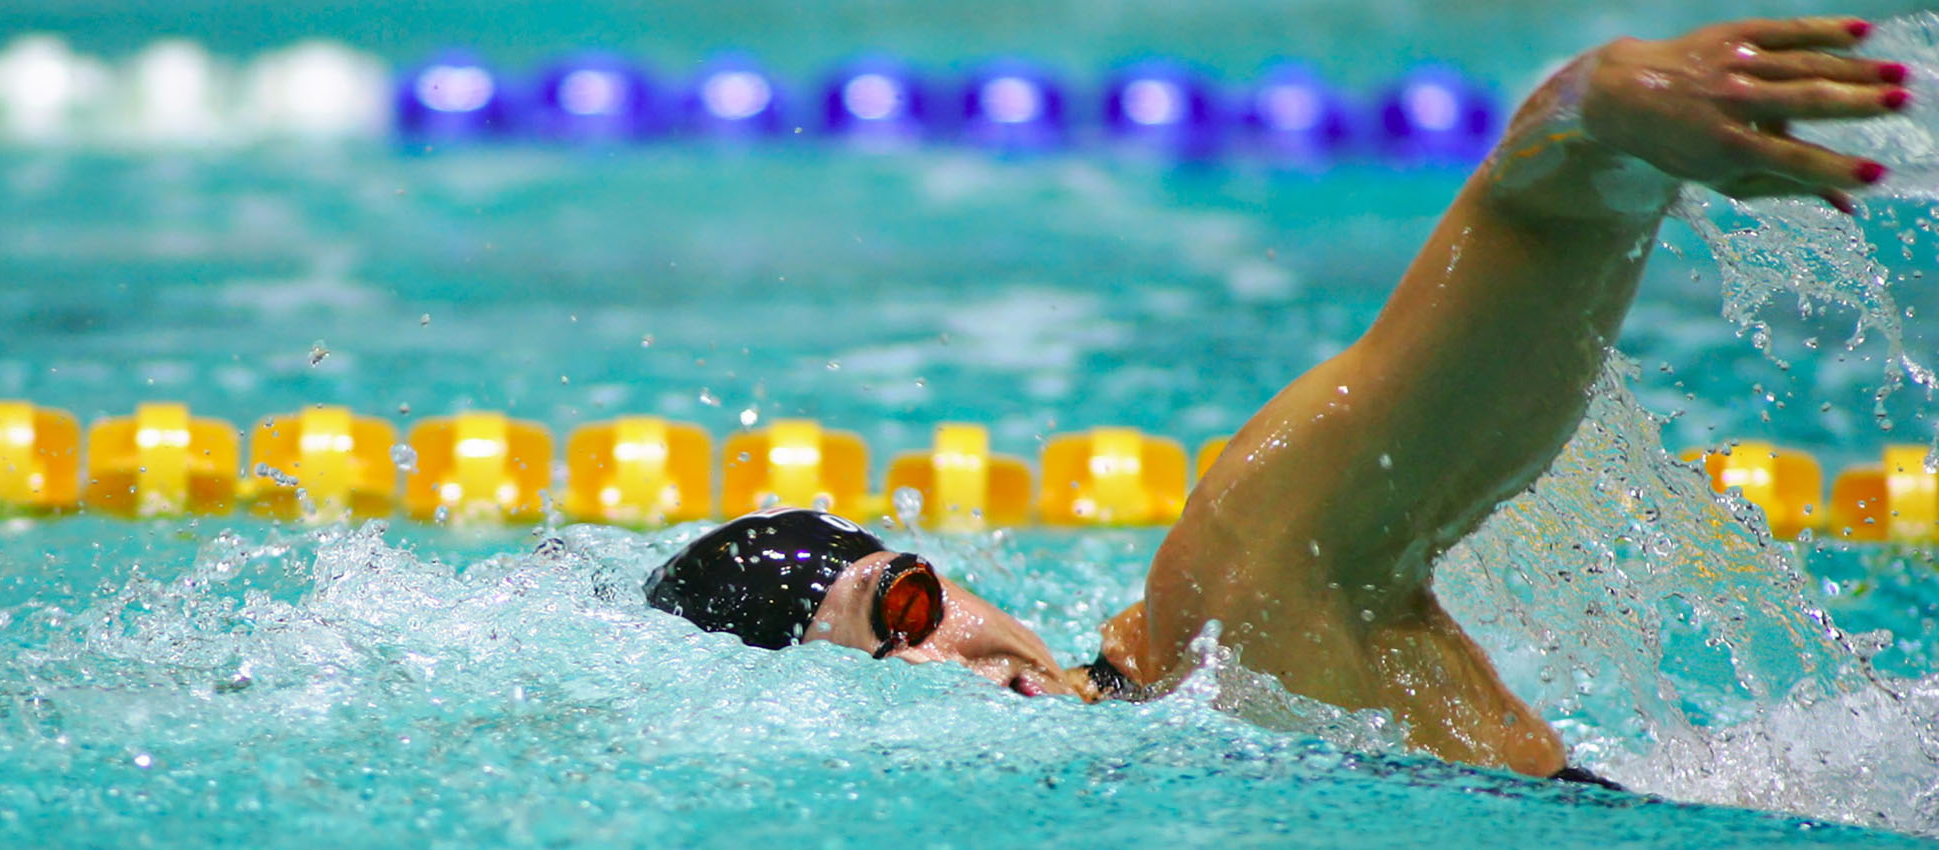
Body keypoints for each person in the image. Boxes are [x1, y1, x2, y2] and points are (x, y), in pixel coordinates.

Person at [641, 16, 1908, 784]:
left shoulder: (1230, 611)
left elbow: (1523, 233)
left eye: (906, 604)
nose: (937, 665)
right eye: (873, 674)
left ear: (944, 572)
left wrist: (1596, 121)